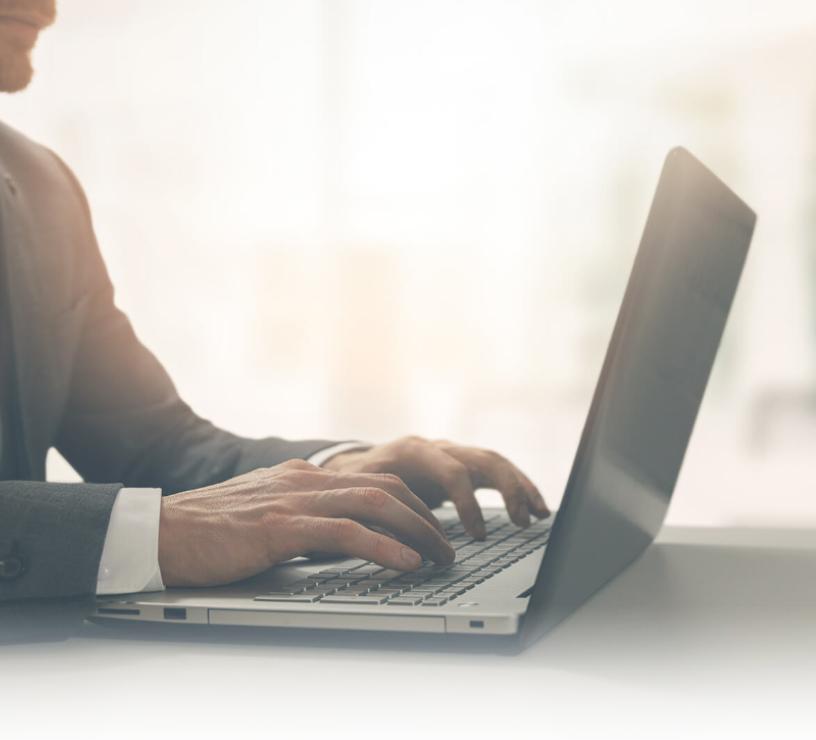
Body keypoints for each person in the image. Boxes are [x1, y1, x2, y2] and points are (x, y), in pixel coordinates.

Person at [0, 0, 548, 604]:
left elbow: (156, 445)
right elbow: (163, 514)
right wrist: (155, 535)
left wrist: (336, 472)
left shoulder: (39, 184)